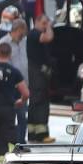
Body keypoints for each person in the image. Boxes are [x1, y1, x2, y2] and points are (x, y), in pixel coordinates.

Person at [26, 13, 57, 143]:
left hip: (38, 74)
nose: (45, 26)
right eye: (43, 23)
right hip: (37, 75)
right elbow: (48, 37)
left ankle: (33, 134)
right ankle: (41, 134)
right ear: (36, 22)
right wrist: (49, 26)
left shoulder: (35, 34)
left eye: (46, 23)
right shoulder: (34, 34)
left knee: (35, 103)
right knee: (41, 103)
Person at [0, 20, 30, 144]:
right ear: (16, 30)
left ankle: (21, 142)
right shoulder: (4, 43)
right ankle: (8, 141)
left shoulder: (24, 42)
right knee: (9, 116)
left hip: (24, 85)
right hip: (10, 87)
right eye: (21, 33)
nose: (23, 36)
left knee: (22, 116)